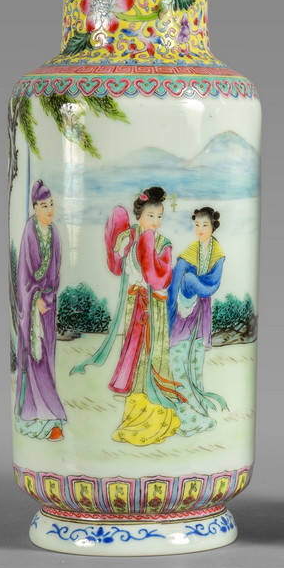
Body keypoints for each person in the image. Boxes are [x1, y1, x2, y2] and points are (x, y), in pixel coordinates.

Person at [71, 186, 182, 446]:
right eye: (151, 216)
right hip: (136, 304)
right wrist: (119, 247)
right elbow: (117, 265)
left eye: (159, 216)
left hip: (154, 307)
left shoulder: (163, 244)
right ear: (139, 215)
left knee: (152, 354)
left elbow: (162, 277)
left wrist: (149, 252)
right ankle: (134, 414)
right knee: (134, 352)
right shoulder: (130, 238)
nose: (155, 222)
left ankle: (157, 416)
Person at [167, 207, 227, 436]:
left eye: (205, 225)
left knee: (195, 363)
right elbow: (175, 283)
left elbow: (212, 284)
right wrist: (185, 291)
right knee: (178, 360)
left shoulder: (217, 255)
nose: (200, 230)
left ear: (213, 227)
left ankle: (199, 413)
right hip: (183, 313)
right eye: (197, 225)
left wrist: (192, 281)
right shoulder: (189, 253)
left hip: (201, 313)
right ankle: (186, 417)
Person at [14, 180, 67, 441]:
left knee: (48, 357)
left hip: (48, 304)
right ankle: (40, 413)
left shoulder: (54, 233)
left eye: (52, 204)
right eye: (44, 205)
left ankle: (49, 413)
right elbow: (23, 273)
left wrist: (49, 295)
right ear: (35, 207)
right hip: (33, 304)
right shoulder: (29, 231)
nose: (49, 210)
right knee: (35, 358)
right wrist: (34, 298)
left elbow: (56, 270)